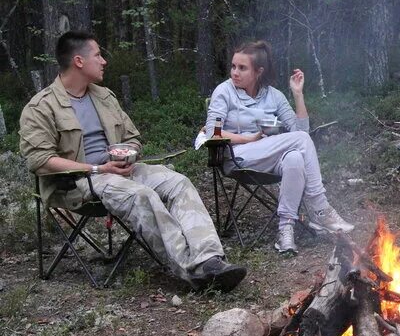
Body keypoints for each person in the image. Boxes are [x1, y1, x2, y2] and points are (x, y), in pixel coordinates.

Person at [19, 31, 247, 292]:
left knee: (178, 182)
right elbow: (39, 161)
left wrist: (128, 153)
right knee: (142, 195)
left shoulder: (104, 97)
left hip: (120, 170)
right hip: (79, 181)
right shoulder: (40, 107)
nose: (104, 61)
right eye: (98, 55)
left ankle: (210, 259)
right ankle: (194, 271)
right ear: (79, 61)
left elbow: (132, 138)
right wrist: (97, 168)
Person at [205, 40, 353, 254]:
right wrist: (250, 139)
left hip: (268, 156)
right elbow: (212, 131)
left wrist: (298, 94)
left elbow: (300, 130)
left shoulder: (274, 96)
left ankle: (286, 230)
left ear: (258, 71)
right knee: (299, 142)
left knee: (295, 158)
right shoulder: (224, 92)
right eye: (234, 66)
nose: (235, 72)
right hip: (236, 156)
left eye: (242, 68)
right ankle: (319, 209)